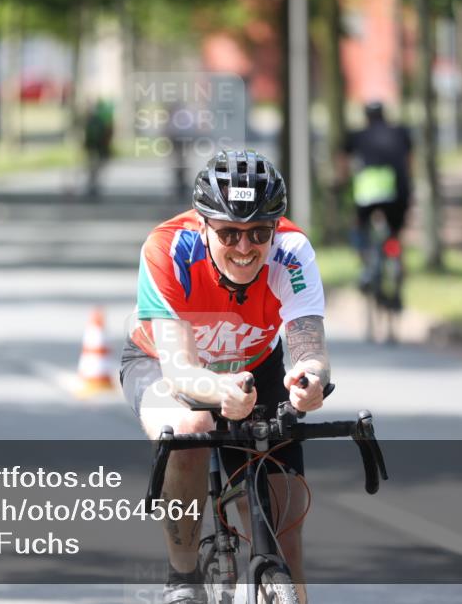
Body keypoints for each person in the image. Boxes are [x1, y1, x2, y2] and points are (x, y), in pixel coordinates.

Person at [120, 150, 329, 603]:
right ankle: (183, 578)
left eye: (258, 232)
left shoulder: (292, 252)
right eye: (229, 233)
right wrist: (218, 391)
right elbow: (179, 370)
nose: (244, 246)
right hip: (159, 362)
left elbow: (309, 348)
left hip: (256, 367)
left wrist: (309, 382)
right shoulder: (168, 249)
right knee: (192, 429)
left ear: (275, 227)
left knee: (286, 534)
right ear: (203, 225)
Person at [338, 102, 412, 291]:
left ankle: (366, 268)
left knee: (359, 226)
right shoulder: (400, 132)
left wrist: (341, 182)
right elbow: (409, 162)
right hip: (397, 189)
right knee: (395, 231)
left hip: (368, 191)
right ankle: (395, 260)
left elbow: (343, 163)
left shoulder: (357, 135)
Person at [83, 99, 113, 198]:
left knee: (94, 167)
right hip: (96, 146)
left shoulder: (95, 120)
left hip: (95, 146)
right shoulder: (98, 119)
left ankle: (93, 185)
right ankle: (93, 185)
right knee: (94, 167)